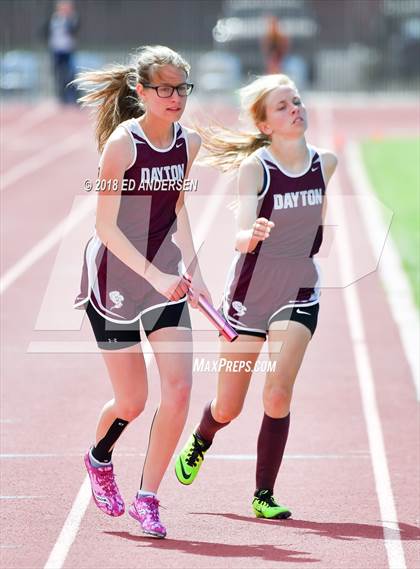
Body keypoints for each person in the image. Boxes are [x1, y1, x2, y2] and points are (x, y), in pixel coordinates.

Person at [175, 74, 337, 519]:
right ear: (265, 125)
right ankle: (203, 436)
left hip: (299, 293)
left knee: (278, 395)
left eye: (297, 101)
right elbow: (240, 233)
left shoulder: (327, 163)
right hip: (249, 297)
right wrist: (253, 234)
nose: (295, 110)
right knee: (229, 405)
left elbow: (318, 225)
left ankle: (263, 495)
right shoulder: (257, 168)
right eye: (283, 107)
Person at [72, 45, 211, 539]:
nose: (175, 98)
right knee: (131, 401)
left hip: (165, 279)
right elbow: (106, 228)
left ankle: (148, 498)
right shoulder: (122, 146)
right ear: (142, 92)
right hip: (115, 280)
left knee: (180, 390)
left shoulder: (188, 143)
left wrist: (198, 275)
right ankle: (99, 456)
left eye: (181, 89)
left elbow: (177, 210)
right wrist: (155, 276)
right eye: (165, 89)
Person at [44, 1, 80, 104]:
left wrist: (67, 19)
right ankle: (61, 97)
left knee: (71, 74)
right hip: (56, 51)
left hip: (68, 51)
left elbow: (74, 30)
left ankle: (73, 97)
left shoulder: (73, 18)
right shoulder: (54, 18)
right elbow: (46, 30)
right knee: (58, 74)